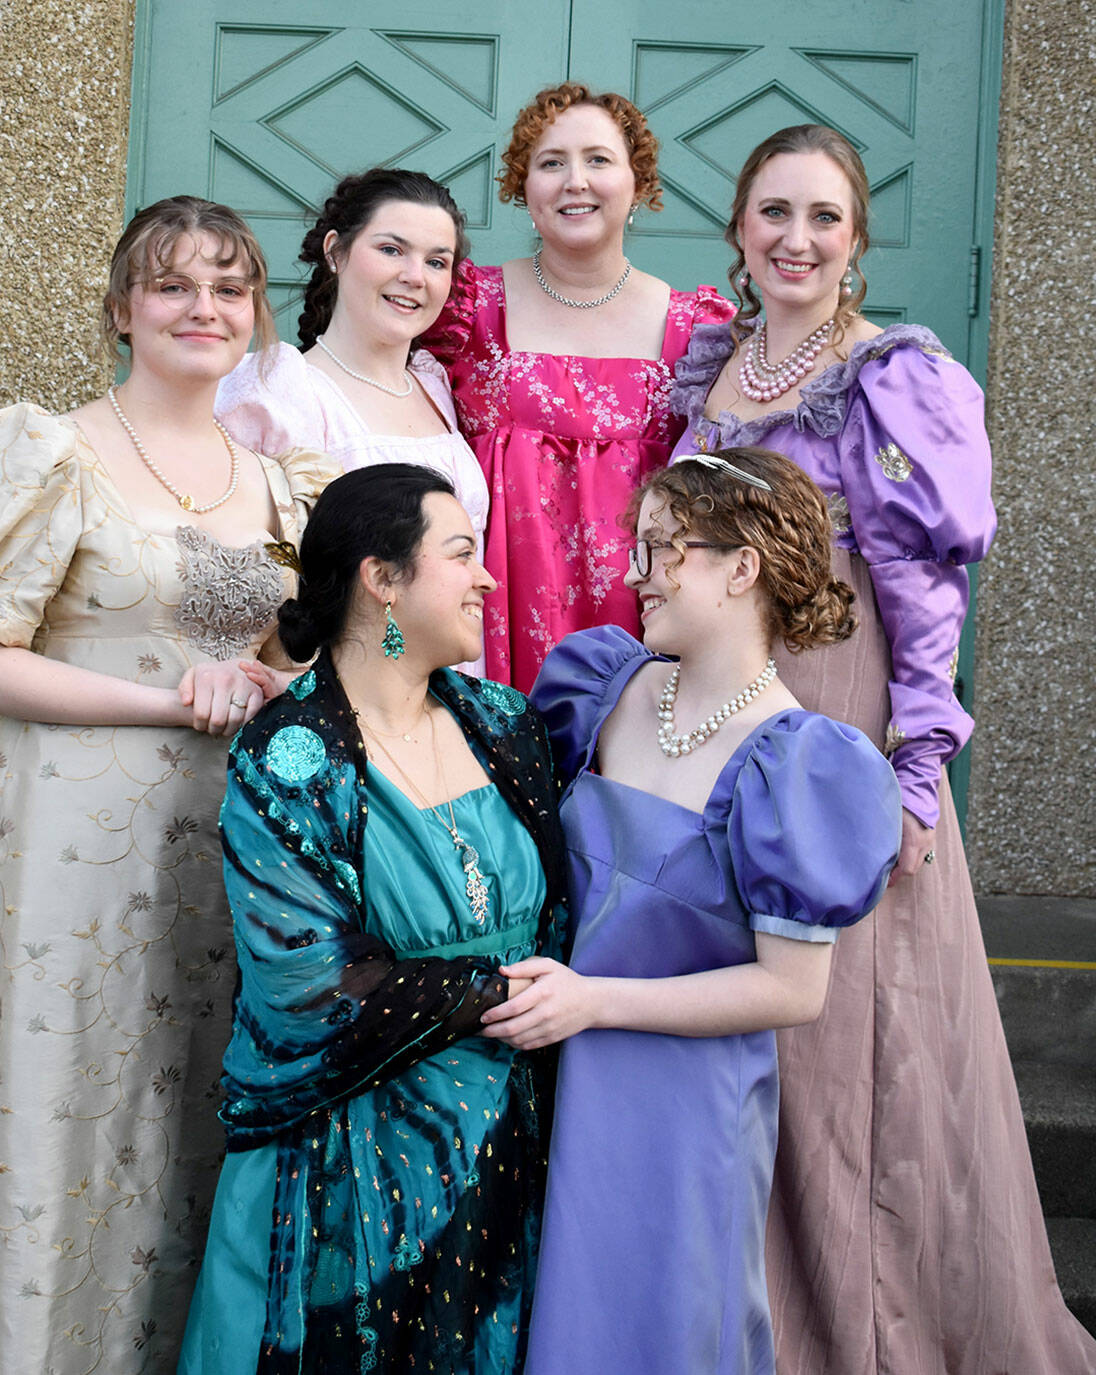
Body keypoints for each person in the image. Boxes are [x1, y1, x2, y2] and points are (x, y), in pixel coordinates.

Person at [0, 197, 337, 1372]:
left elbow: (300, 656)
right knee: (65, 1107)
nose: (202, 307)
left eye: (227, 285)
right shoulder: (44, 449)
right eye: (171, 285)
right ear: (119, 310)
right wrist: (171, 701)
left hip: (227, 846)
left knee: (191, 1100)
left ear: (254, 312)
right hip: (68, 836)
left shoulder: (283, 482)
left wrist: (267, 679)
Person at [670, 125, 1096, 1372]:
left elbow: (923, 595)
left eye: (821, 218)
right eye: (772, 214)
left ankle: (857, 1318)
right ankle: (746, 1304)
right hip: (720, 714)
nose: (793, 239)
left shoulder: (887, 375)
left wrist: (914, 774)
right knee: (742, 1015)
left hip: (835, 721)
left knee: (846, 1034)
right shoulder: (714, 362)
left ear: (854, 241)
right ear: (738, 230)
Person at [481, 447, 901, 1374]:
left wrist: (594, 1002)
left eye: (663, 549)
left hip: (676, 1112)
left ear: (740, 566)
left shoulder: (800, 763)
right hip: (540, 1072)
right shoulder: (598, 689)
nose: (637, 574)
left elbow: (793, 990)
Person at [177, 464, 566, 1375]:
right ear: (381, 578)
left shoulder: (507, 723)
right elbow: (307, 982)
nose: (488, 578)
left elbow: (561, 916)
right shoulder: (291, 755)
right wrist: (502, 993)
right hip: (349, 1164)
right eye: (462, 553)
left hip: (507, 1141)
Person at [423, 81, 734, 690]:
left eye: (598, 160)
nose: (575, 181)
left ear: (638, 183)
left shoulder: (695, 328)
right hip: (487, 616)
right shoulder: (465, 305)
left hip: (642, 620)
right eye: (551, 163)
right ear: (522, 185)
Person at [216, 168, 488, 671]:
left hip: (452, 690)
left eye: (436, 261)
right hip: (338, 694)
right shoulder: (280, 388)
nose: (414, 276)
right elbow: (243, 569)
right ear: (336, 251)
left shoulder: (435, 385)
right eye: (391, 250)